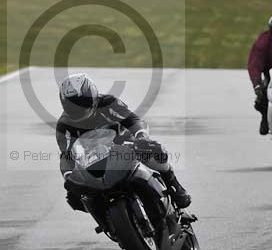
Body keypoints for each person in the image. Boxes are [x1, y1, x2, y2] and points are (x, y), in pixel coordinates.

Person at [56, 73, 192, 211]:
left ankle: (174, 185)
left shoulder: (107, 103)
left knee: (153, 153)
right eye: (72, 105)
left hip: (125, 144)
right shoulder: (64, 125)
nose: (79, 108)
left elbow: (133, 120)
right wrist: (68, 177)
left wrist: (142, 138)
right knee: (77, 197)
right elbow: (66, 155)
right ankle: (107, 221)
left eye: (83, 102)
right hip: (94, 160)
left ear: (93, 96)